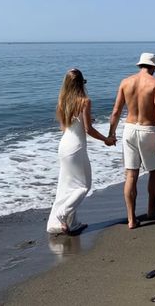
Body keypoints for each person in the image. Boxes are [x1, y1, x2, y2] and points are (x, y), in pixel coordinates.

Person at [47, 68, 115, 235]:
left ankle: (71, 223)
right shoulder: (84, 101)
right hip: (76, 147)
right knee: (83, 186)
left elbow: (68, 126)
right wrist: (106, 139)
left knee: (67, 186)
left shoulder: (62, 101)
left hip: (64, 146)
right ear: (81, 83)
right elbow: (88, 129)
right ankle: (62, 215)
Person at [108, 53, 155, 229]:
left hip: (129, 130)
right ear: (153, 68)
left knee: (131, 175)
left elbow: (116, 110)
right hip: (148, 130)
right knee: (154, 172)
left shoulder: (125, 82)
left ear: (140, 65)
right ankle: (151, 210)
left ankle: (131, 219)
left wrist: (111, 133)